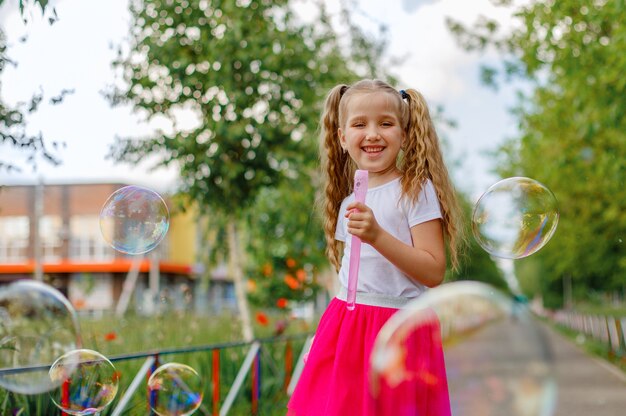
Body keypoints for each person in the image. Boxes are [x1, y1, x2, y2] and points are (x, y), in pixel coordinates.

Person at [286, 79, 464, 416]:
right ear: (341, 137)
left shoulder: (415, 190)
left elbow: (433, 269)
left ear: (406, 133)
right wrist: (323, 337)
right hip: (346, 326)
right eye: (359, 124)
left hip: (399, 328)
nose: (373, 133)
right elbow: (349, 278)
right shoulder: (350, 202)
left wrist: (377, 236)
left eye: (386, 123)